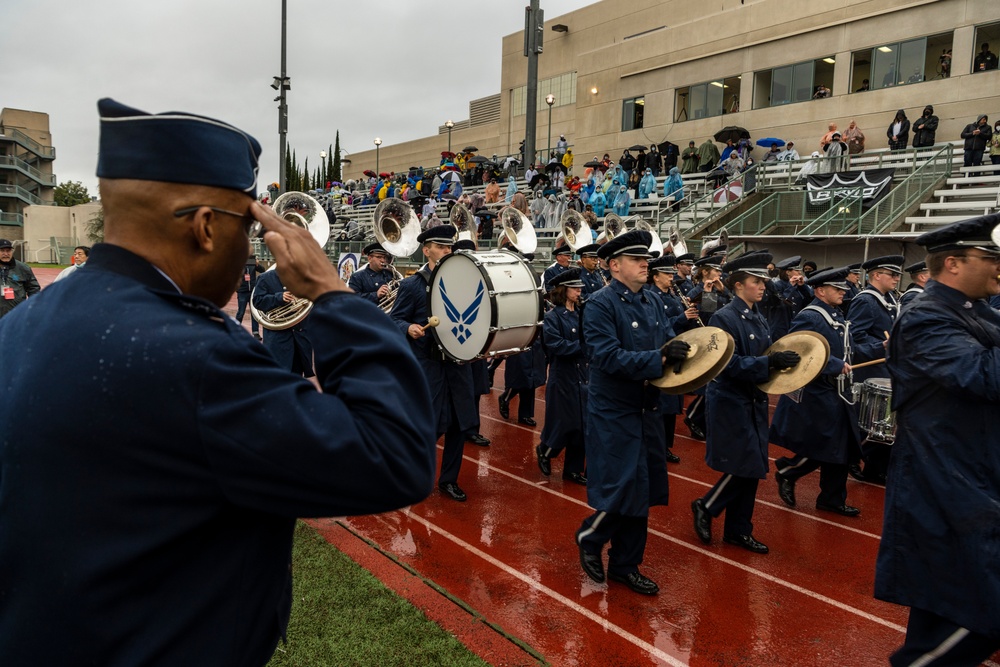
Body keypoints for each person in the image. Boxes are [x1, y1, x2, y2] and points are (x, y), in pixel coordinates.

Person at [0, 98, 436, 666]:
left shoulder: (20, 327)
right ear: (207, 227)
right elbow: (395, 453)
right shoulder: (197, 355)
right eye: (249, 226)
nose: (252, 247)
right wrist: (333, 295)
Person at [876, 214, 1000, 665]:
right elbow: (983, 375)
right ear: (953, 263)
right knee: (982, 612)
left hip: (971, 473)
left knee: (945, 608)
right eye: (990, 257)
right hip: (946, 481)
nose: (998, 266)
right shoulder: (926, 316)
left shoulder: (977, 309)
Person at [575, 230, 689, 595]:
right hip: (615, 409)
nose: (646, 264)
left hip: (648, 407)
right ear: (614, 266)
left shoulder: (652, 301)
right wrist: (658, 359)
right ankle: (591, 536)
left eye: (646, 259)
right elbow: (606, 356)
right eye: (637, 260)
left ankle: (626, 564)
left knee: (644, 488)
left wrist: (684, 351)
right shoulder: (599, 304)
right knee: (623, 486)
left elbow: (669, 339)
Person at [692, 252, 793, 554]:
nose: (762, 286)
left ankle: (739, 529)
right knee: (746, 465)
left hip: (753, 399)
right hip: (732, 400)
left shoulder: (756, 313)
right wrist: (769, 364)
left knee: (753, 466)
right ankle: (707, 506)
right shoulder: (725, 317)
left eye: (762, 281)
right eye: (755, 281)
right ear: (738, 285)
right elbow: (727, 364)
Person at [390, 224, 477, 502]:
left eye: (449, 247)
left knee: (459, 426)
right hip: (428, 366)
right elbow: (394, 320)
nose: (447, 251)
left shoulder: (462, 283)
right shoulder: (412, 285)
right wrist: (407, 328)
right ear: (426, 250)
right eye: (440, 247)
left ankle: (448, 480)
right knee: (430, 426)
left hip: (457, 364)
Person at [771, 268, 861, 517]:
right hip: (818, 390)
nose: (843, 291)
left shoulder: (835, 313)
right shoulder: (811, 316)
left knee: (839, 444)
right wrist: (833, 364)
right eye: (837, 288)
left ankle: (832, 498)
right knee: (828, 443)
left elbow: (848, 349)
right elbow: (796, 349)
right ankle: (789, 471)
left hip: (838, 389)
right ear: (821, 291)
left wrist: (880, 348)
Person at [847, 254, 903, 483]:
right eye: (892, 274)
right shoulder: (866, 300)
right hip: (871, 370)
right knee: (871, 421)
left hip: (886, 368)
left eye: (898, 274)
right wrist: (880, 346)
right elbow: (854, 339)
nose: (897, 278)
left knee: (885, 421)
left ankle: (874, 467)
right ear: (877, 275)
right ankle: (852, 457)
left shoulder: (888, 298)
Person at [536, 268, 589, 485]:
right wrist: (583, 346)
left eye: (579, 288)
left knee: (582, 425)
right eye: (574, 288)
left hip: (584, 376)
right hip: (563, 377)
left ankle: (573, 470)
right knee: (563, 423)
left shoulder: (582, 313)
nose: (579, 291)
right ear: (564, 290)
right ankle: (546, 451)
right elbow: (555, 345)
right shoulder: (553, 316)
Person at [647, 254, 699, 463]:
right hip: (663, 353)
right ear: (656, 276)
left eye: (671, 273)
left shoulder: (673, 295)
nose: (670, 277)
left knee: (672, 405)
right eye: (666, 274)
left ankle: (666, 444)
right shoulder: (652, 296)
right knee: (662, 403)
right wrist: (682, 317)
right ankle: (659, 446)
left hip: (677, 350)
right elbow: (659, 326)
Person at [253, 261, 315, 376]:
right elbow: (257, 301)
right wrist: (279, 297)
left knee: (297, 376)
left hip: (299, 337)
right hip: (278, 338)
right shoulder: (265, 278)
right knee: (279, 376)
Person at [765, 255, 812, 339]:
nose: (800, 273)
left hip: (795, 326)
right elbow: (780, 302)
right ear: (788, 272)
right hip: (781, 328)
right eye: (797, 270)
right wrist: (790, 286)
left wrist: (802, 286)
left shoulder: (798, 286)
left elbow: (809, 301)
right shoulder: (777, 285)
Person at [348, 242, 397, 307]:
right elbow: (352, 299)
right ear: (369, 258)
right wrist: (376, 295)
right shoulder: (357, 276)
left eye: (384, 257)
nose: (383, 260)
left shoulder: (390, 274)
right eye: (379, 257)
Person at [0, 239, 40, 319]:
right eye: (2, 251)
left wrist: (31, 306)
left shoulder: (22, 268)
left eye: (8, 251)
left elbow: (34, 289)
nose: (6, 254)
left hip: (16, 314)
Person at [234, 251, 265, 340]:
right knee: (241, 312)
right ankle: (235, 331)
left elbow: (262, 270)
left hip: (252, 291)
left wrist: (257, 265)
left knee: (254, 313)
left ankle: (255, 333)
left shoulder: (252, 261)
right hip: (242, 291)